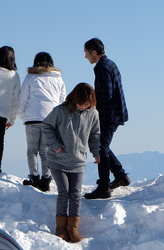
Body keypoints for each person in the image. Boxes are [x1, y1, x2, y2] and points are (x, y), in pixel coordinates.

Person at [42, 82, 100, 243]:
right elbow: (46, 126)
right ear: (74, 99)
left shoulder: (93, 114)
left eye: (87, 103)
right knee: (64, 192)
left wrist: (96, 152)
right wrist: (55, 146)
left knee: (75, 194)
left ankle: (72, 229)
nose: (84, 106)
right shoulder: (60, 111)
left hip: (78, 161)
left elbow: (95, 135)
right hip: (57, 160)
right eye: (81, 103)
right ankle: (60, 229)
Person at [82, 38, 130, 199]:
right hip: (116, 112)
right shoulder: (110, 63)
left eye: (86, 53)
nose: (85, 57)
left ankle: (103, 186)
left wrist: (90, 102)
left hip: (109, 114)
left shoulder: (101, 67)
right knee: (104, 145)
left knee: (101, 147)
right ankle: (120, 175)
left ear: (94, 52)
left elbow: (106, 93)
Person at [19, 52, 66, 192]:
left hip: (31, 118)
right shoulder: (58, 79)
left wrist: (23, 115)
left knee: (32, 150)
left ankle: (34, 178)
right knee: (46, 151)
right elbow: (62, 101)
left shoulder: (31, 77)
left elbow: (23, 98)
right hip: (50, 118)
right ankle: (46, 179)